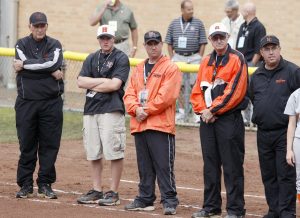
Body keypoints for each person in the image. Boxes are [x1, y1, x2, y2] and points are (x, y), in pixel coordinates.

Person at [190, 22, 248, 218]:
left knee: (232, 166)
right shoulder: (206, 60)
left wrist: (213, 110)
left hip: (228, 119)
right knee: (210, 165)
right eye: (215, 37)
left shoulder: (237, 58)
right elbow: (196, 91)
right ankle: (211, 207)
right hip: (207, 121)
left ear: (228, 36)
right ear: (210, 40)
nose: (219, 40)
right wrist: (203, 111)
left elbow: (236, 92)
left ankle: (235, 210)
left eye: (221, 36)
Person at [123, 31, 182, 215]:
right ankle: (145, 198)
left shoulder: (170, 68)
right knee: (144, 166)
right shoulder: (139, 68)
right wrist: (135, 109)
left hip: (160, 125)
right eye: (149, 43)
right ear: (145, 46)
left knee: (164, 166)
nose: (153, 46)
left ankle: (169, 200)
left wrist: (145, 110)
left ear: (161, 44)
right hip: (140, 124)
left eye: (156, 43)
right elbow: (129, 93)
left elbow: (167, 97)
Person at [76, 25, 130, 206]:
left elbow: (115, 85)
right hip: (91, 109)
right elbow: (80, 81)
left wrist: (93, 84)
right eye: (102, 38)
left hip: (111, 108)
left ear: (114, 38)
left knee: (114, 151)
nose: (105, 41)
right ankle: (97, 190)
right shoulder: (92, 58)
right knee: (93, 151)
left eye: (108, 38)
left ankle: (113, 192)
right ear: (98, 39)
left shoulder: (121, 57)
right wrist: (102, 82)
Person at [14, 12, 64, 199]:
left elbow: (53, 62)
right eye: (36, 25)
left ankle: (45, 183)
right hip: (27, 103)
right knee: (27, 144)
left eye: (42, 25)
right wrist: (49, 70)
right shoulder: (21, 44)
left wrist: (25, 65)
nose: (39, 28)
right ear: (30, 27)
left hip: (51, 103)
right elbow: (49, 66)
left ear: (47, 26)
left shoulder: (54, 44)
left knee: (49, 145)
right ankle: (25, 184)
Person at [250, 35, 300, 218]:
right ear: (261, 53)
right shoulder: (256, 75)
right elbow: (252, 97)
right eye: (267, 49)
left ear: (279, 49)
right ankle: (274, 210)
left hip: (285, 132)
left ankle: (287, 212)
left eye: (274, 48)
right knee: (268, 174)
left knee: (285, 175)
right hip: (263, 132)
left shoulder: (293, 71)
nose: (271, 52)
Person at [165, 0, 207, 122]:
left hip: (194, 57)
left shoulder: (198, 23)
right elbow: (169, 42)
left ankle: (195, 111)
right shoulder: (174, 23)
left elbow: (203, 42)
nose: (191, 11)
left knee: (195, 85)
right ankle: (182, 111)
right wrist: (172, 57)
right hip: (178, 57)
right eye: (189, 9)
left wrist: (199, 56)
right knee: (180, 85)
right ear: (182, 10)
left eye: (192, 8)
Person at [236, 2, 266, 127]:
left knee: (253, 91)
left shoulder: (259, 27)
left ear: (248, 12)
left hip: (251, 64)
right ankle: (247, 119)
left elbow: (259, 49)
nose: (241, 13)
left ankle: (256, 120)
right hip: (242, 63)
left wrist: (251, 65)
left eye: (243, 10)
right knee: (244, 92)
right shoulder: (243, 26)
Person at [284, 88, 300, 204]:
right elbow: (291, 124)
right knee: (299, 180)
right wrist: (289, 149)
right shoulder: (296, 95)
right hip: (298, 140)